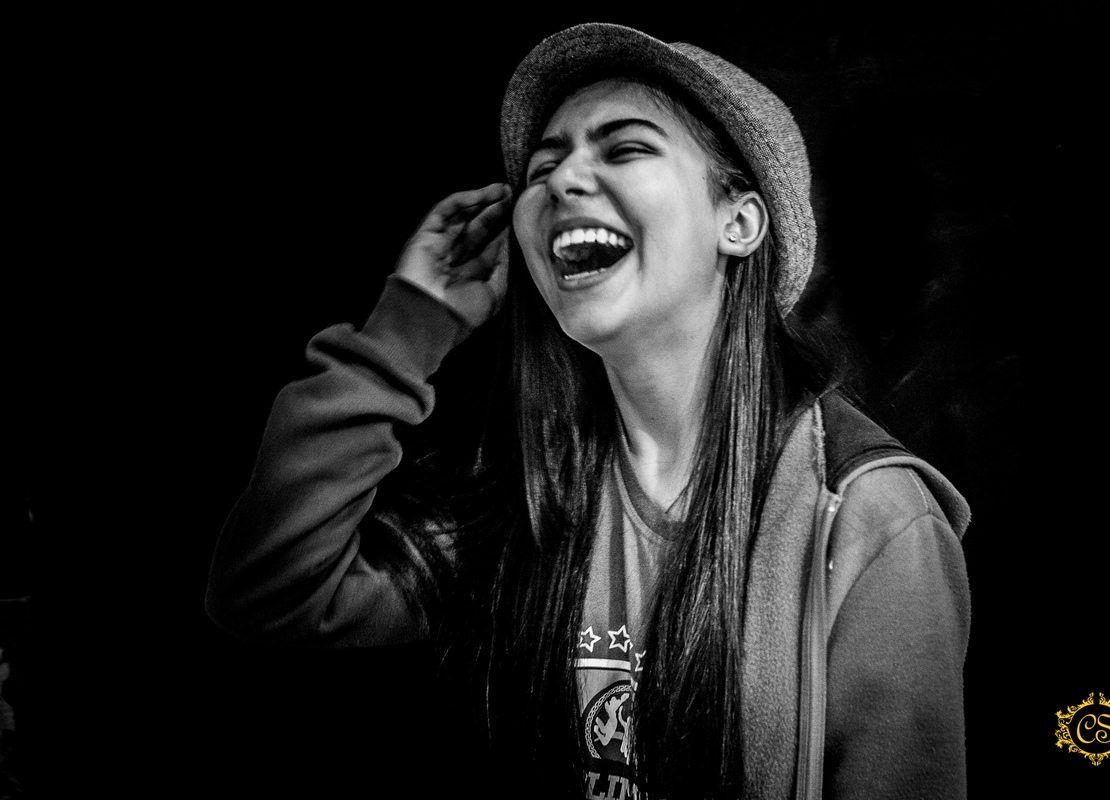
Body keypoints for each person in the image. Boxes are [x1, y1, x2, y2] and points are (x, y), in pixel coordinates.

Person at [206, 23, 971, 800]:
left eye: (625, 148)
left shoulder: (871, 519)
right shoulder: (529, 495)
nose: (563, 180)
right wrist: (407, 329)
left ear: (738, 223)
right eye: (544, 166)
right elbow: (273, 591)